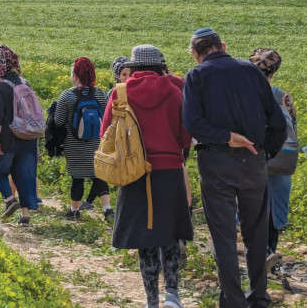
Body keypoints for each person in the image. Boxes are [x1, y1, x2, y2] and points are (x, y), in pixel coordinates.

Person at [182, 28, 286, 308]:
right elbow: (277, 122)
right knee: (256, 232)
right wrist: (264, 154)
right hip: (253, 161)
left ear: (195, 53)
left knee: (224, 235)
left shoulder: (196, 76)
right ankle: (259, 298)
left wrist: (226, 137)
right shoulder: (251, 71)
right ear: (222, 46)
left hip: (216, 162)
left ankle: (233, 301)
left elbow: (192, 123)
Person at [101, 44, 193, 308]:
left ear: (134, 66)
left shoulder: (119, 93)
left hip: (134, 172)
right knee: (171, 234)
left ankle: (152, 301)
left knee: (145, 239)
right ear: (159, 65)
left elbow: (105, 133)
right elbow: (185, 136)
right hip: (170, 170)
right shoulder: (174, 92)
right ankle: (173, 296)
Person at [248, 48, 299, 273]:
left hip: (255, 156)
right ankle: (270, 252)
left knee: (253, 206)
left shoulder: (247, 93)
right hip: (284, 159)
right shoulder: (283, 96)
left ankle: (256, 256)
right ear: (274, 71)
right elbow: (293, 126)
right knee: (275, 208)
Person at [54, 57, 113, 222]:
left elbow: (59, 120)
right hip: (96, 142)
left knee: (77, 177)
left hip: (74, 144)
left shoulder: (67, 95)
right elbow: (108, 118)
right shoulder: (100, 93)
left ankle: (74, 211)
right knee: (98, 175)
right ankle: (108, 210)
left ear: (75, 75)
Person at [0, 45, 39, 227]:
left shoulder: (0, 87)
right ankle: (25, 217)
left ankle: (9, 199)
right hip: (28, 136)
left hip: (8, 138)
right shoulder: (25, 83)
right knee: (24, 175)